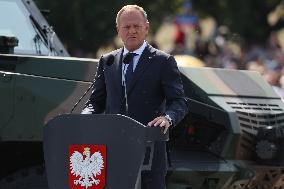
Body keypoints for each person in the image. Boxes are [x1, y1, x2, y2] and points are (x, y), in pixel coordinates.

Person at [82, 4, 188, 189]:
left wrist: (167, 118)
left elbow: (179, 102)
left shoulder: (163, 61)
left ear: (146, 27)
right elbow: (95, 102)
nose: (132, 31)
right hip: (114, 149)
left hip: (149, 152)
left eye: (137, 26)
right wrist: (86, 115)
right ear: (118, 30)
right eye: (127, 27)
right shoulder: (108, 61)